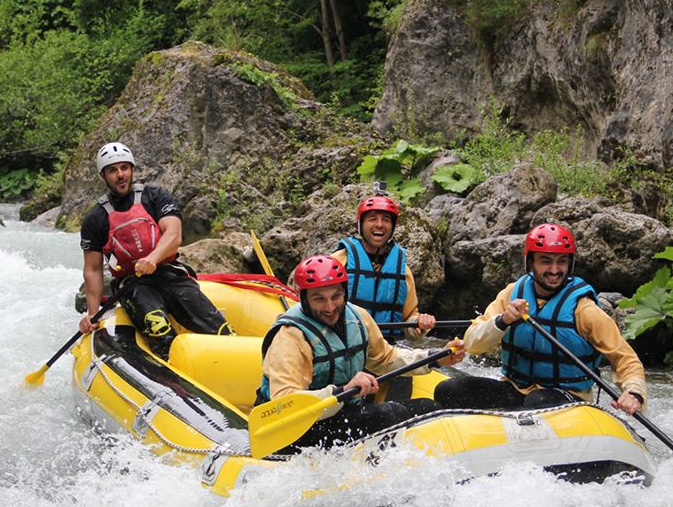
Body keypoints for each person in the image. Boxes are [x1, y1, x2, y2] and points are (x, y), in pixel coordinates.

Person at [433, 223, 647, 414]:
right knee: (450, 390)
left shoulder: (584, 310)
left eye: (561, 262)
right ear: (530, 262)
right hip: (517, 389)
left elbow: (624, 358)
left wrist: (634, 393)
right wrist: (503, 321)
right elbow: (471, 344)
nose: (554, 270)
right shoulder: (511, 295)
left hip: (568, 399)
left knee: (537, 401)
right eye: (546, 261)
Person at [256, 254, 465, 449]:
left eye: (336, 296)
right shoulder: (290, 336)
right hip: (299, 429)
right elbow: (285, 402)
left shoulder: (358, 317)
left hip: (344, 412)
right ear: (304, 299)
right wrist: (342, 391)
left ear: (345, 292)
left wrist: (435, 358)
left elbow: (386, 358)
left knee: (428, 408)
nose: (330, 307)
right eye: (319, 299)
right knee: (388, 414)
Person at [79, 141, 233, 355]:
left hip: (170, 275)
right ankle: (169, 374)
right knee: (158, 328)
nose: (120, 175)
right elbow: (93, 269)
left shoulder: (155, 197)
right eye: (113, 171)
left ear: (132, 169)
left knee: (219, 328)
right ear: (103, 176)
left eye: (124, 168)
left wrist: (153, 258)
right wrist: (92, 314)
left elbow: (174, 233)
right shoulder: (95, 219)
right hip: (133, 285)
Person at [332, 192, 436, 341]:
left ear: (393, 227)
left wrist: (419, 324)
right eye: (372, 219)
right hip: (344, 345)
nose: (379, 224)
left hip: (384, 351)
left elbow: (409, 320)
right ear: (360, 224)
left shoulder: (403, 272)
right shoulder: (338, 262)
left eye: (386, 220)